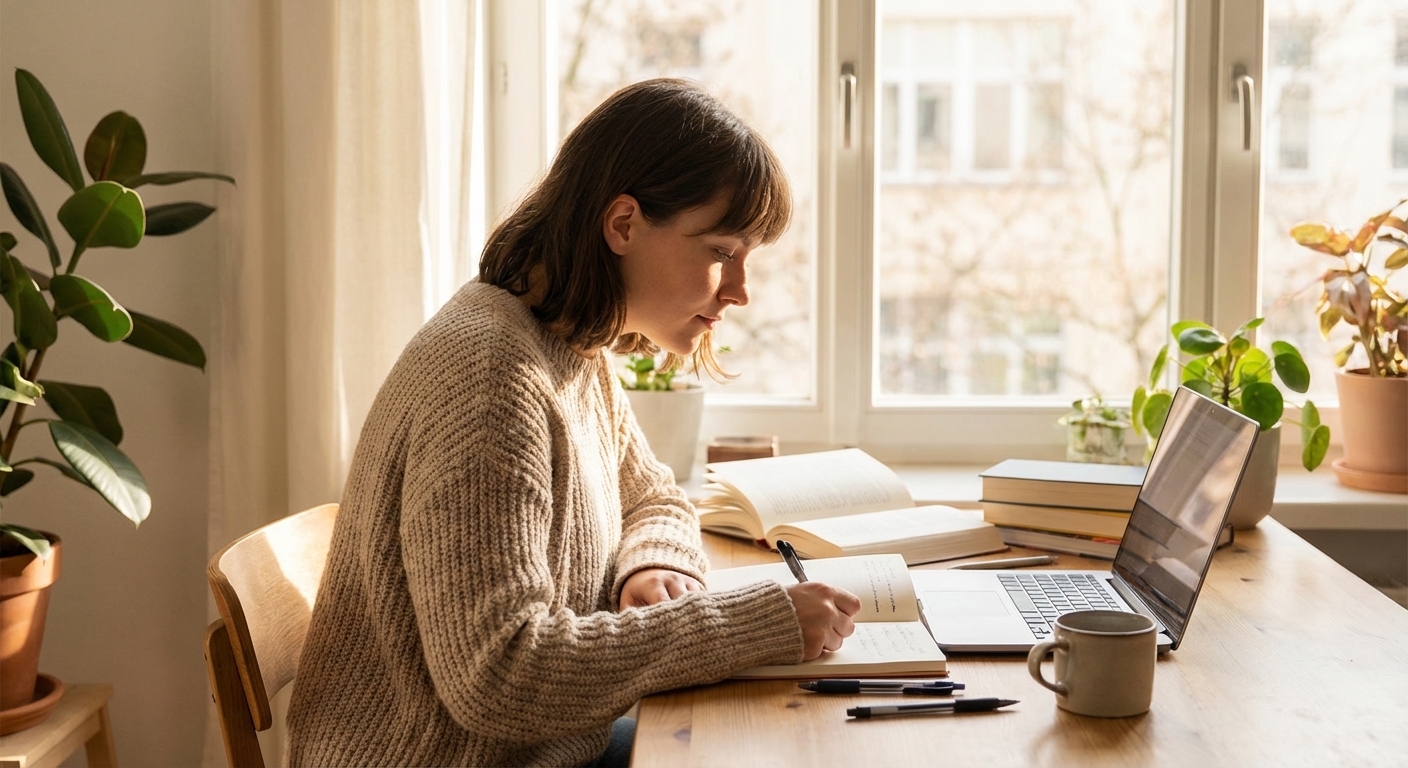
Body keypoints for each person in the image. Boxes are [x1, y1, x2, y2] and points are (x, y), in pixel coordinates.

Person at [286, 79, 862, 768]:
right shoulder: (492, 381)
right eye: (719, 251)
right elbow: (499, 676)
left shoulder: (568, 345)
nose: (740, 290)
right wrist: (752, 626)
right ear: (622, 225)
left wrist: (652, 565)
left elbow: (652, 494)